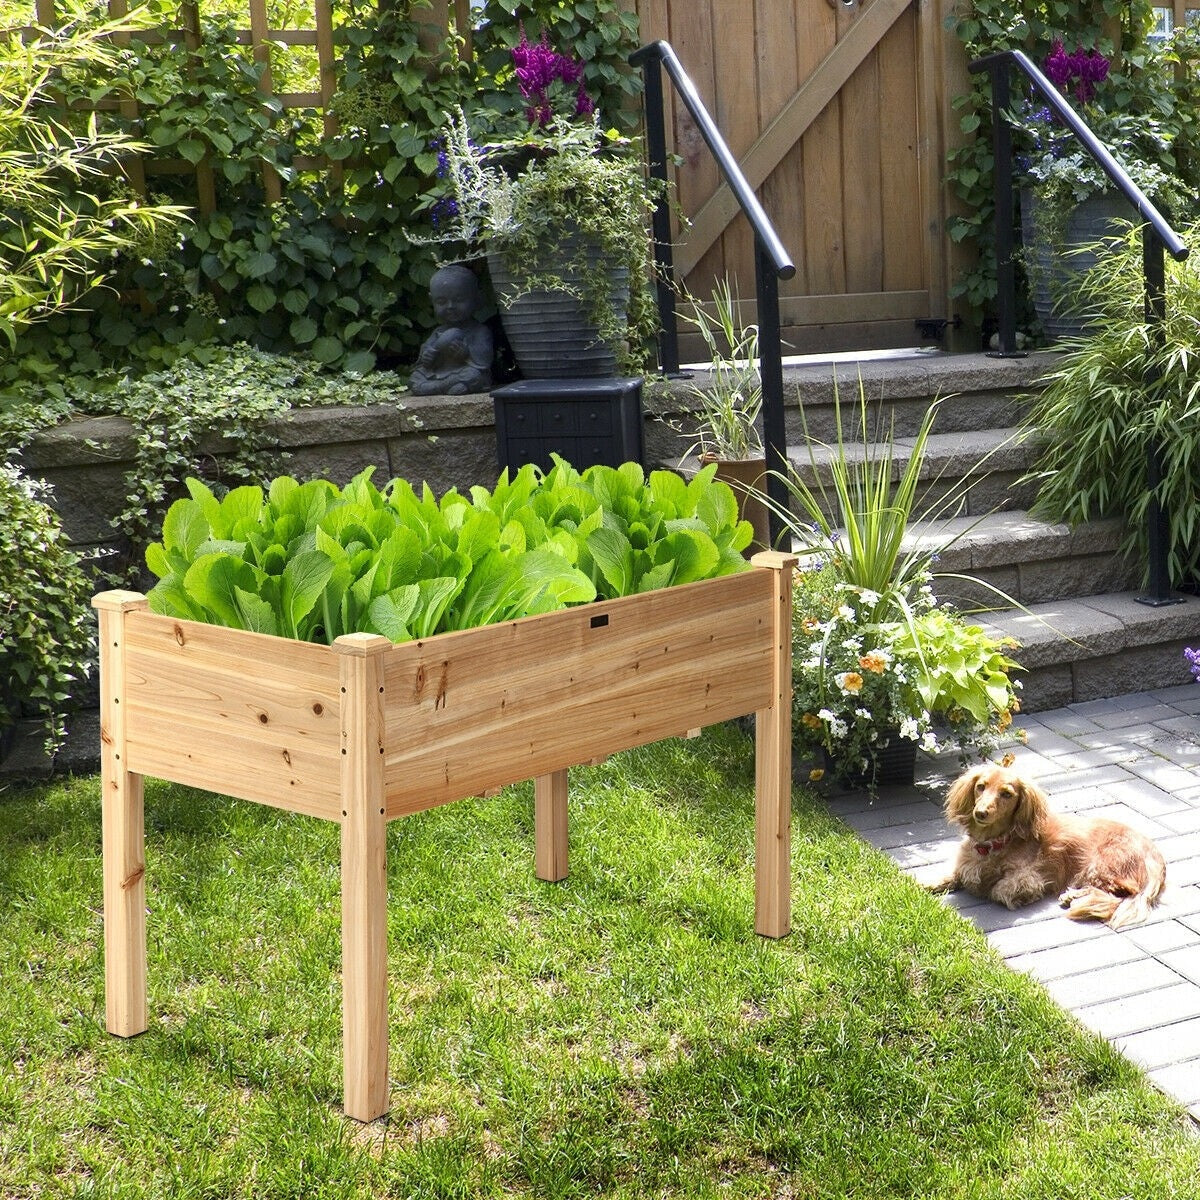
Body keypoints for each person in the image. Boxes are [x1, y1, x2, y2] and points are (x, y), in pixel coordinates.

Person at [409, 264, 493, 395]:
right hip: (440, 373)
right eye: (441, 302)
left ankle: (433, 388)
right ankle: (444, 386)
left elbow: (484, 360)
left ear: (477, 298)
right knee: (416, 377)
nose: (450, 306)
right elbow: (424, 360)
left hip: (464, 372)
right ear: (432, 301)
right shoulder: (438, 332)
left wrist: (466, 354)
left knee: (474, 375)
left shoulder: (479, 331)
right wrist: (427, 357)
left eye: (459, 300)